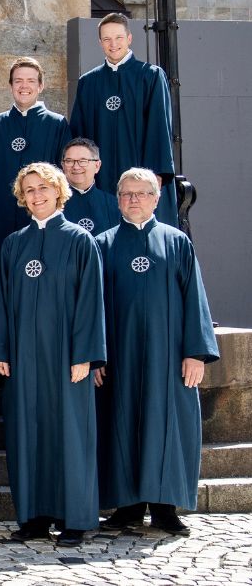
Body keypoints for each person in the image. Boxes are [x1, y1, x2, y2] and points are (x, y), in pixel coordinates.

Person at [95, 168, 219, 536]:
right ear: (118, 199)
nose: (133, 199)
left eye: (141, 193)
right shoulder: (102, 244)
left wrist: (196, 352)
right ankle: (127, 507)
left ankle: (166, 509)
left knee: (166, 426)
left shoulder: (176, 242)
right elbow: (92, 307)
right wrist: (96, 356)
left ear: (156, 198)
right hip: (120, 356)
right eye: (126, 194)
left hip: (168, 357)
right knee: (122, 424)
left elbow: (194, 297)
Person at [0, 162, 105, 547]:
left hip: (66, 357)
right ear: (22, 198)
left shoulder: (80, 241)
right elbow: (2, 300)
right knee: (27, 434)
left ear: (58, 190)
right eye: (29, 190)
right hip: (23, 356)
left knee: (70, 435)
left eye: (43, 188)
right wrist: (1, 349)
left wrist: (85, 356)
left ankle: (75, 519)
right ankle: (34, 518)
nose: (37, 195)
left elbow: (90, 302)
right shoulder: (13, 244)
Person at [0, 57, 72, 314]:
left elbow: (63, 181)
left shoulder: (57, 125)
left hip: (40, 223)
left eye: (30, 81)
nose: (24, 86)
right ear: (10, 85)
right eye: (18, 81)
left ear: (41, 86)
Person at [70, 13, 178, 224]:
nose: (113, 44)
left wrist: (156, 173)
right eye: (107, 39)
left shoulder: (150, 76)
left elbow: (159, 129)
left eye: (118, 38)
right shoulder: (88, 83)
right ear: (100, 42)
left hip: (140, 173)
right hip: (100, 178)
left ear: (129, 38)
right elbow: (79, 133)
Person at [61, 138, 118, 236]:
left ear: (97, 165)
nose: (76, 167)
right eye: (69, 161)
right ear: (63, 165)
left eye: (83, 161)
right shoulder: (53, 203)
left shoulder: (114, 204)